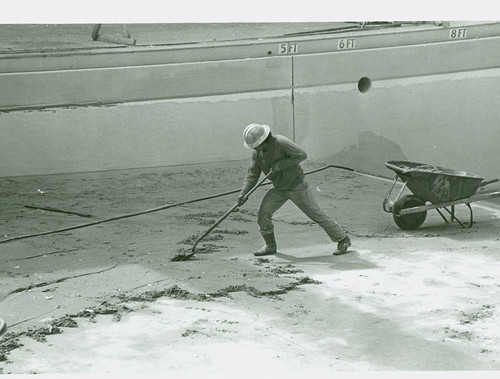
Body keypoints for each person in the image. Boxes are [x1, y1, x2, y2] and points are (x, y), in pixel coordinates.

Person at [237, 123, 351, 256]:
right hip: (279, 188)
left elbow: (302, 155)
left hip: (297, 186)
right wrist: (243, 193)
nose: (255, 148)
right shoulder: (257, 153)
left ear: (264, 140)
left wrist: (281, 164)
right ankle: (270, 245)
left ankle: (343, 240)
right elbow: (252, 175)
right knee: (263, 214)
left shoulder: (281, 142)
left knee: (316, 214)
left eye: (256, 145)